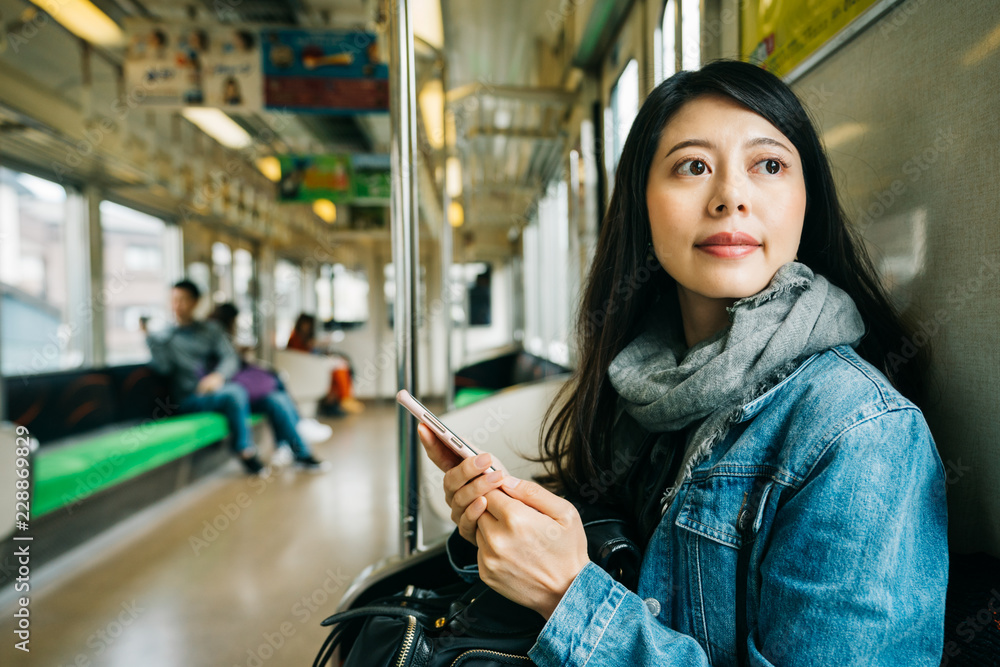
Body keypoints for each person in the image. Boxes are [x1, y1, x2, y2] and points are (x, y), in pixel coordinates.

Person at [417, 60, 947, 665]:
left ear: (808, 201)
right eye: (693, 167)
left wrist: (566, 597)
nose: (731, 198)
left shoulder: (860, 434)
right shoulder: (640, 383)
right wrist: (500, 532)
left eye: (769, 166)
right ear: (642, 205)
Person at [143, 280, 329, 474]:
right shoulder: (162, 338)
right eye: (173, 300)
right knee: (235, 393)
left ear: (195, 302)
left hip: (224, 390)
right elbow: (162, 369)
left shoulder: (211, 331)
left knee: (275, 398)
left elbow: (229, 357)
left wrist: (218, 376)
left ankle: (301, 453)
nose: (177, 306)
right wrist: (153, 343)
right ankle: (245, 451)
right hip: (192, 396)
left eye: (183, 300)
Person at [208, 303, 333, 453]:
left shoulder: (220, 337)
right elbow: (226, 363)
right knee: (274, 380)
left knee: (277, 397)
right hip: (230, 387)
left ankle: (292, 447)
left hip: (236, 384)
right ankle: (298, 425)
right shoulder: (214, 335)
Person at [286, 313, 364, 415]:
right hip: (306, 365)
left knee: (342, 363)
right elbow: (299, 354)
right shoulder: (295, 337)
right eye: (305, 324)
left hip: (312, 362)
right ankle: (345, 399)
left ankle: (344, 399)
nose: (307, 327)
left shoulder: (308, 337)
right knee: (339, 367)